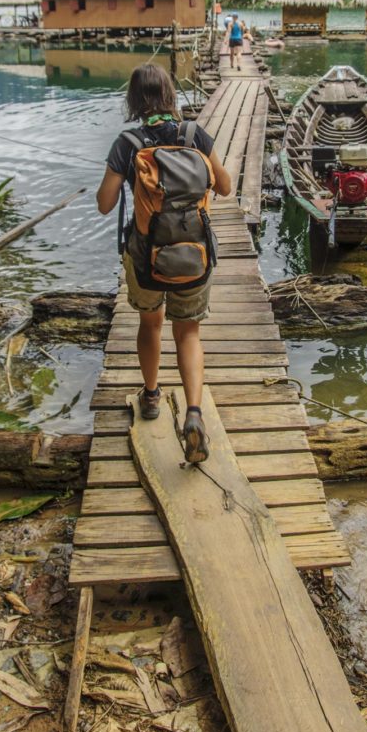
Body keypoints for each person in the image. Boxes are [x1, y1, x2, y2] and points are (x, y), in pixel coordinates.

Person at [96, 64, 232, 462]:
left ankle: (152, 396)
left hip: (146, 257)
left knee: (150, 322)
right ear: (171, 95)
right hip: (195, 255)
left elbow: (105, 205)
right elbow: (224, 187)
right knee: (188, 333)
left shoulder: (128, 142)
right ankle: (193, 413)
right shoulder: (194, 135)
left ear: (134, 99)